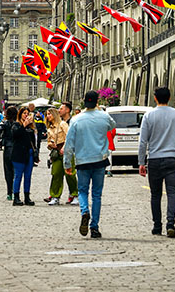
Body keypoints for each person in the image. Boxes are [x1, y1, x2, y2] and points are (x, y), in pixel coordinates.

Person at [63, 90, 116, 239]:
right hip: (100, 160)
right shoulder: (104, 117)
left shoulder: (76, 120)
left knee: (82, 191)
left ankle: (84, 211)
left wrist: (67, 163)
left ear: (84, 102)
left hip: (82, 161)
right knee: (97, 195)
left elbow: (69, 144)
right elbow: (113, 125)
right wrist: (99, 110)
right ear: (97, 102)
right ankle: (94, 227)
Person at [138, 86, 175, 238]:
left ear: (155, 98)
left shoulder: (149, 116)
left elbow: (143, 142)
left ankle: (156, 226)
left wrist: (141, 162)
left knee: (155, 195)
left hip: (154, 159)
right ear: (169, 97)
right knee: (172, 193)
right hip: (173, 159)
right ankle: (171, 224)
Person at [44, 107, 78, 206]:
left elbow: (69, 136)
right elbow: (48, 142)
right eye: (47, 114)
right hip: (56, 152)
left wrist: (64, 147)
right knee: (56, 174)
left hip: (66, 151)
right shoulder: (50, 128)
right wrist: (51, 145)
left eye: (49, 114)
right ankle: (55, 196)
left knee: (70, 174)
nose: (48, 116)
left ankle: (75, 195)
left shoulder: (62, 124)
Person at [11, 106, 39, 206]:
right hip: (19, 154)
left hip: (29, 154)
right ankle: (16, 197)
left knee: (28, 176)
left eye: (27, 113)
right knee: (18, 176)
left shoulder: (31, 127)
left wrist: (36, 154)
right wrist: (24, 125)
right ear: (20, 114)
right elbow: (15, 135)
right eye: (24, 113)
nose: (26, 115)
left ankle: (27, 197)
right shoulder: (16, 125)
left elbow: (34, 141)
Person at [0, 106, 17, 200]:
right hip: (17, 148)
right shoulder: (18, 123)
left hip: (8, 148)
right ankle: (16, 191)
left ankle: (9, 192)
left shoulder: (4, 122)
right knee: (17, 171)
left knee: (8, 171)